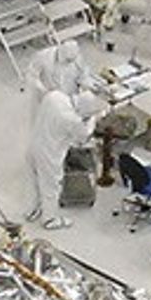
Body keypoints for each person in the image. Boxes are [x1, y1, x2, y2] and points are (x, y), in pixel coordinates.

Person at [27, 85, 102, 228]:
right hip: (49, 154)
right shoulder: (70, 118)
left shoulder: (55, 96)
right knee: (51, 187)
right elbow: (83, 136)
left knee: (34, 179)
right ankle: (49, 219)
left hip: (34, 145)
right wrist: (93, 118)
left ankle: (34, 209)